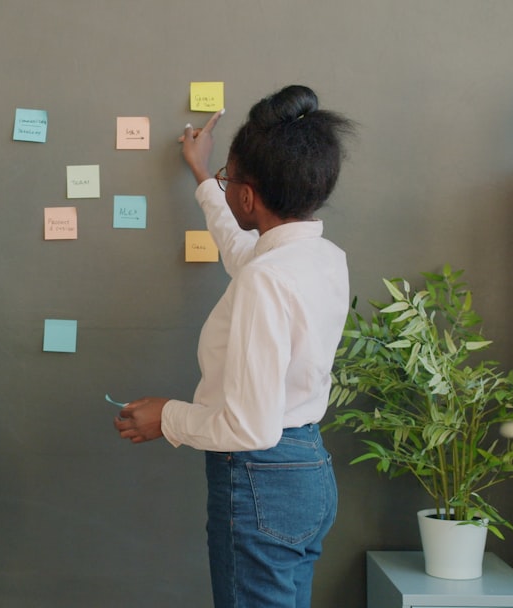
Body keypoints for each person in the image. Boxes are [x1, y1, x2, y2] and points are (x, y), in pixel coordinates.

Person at [113, 85, 355, 608]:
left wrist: (166, 417)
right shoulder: (321, 257)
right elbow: (243, 249)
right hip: (308, 472)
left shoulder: (266, 279)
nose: (225, 187)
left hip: (261, 478)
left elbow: (250, 428)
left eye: (229, 179)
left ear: (247, 197)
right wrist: (204, 176)